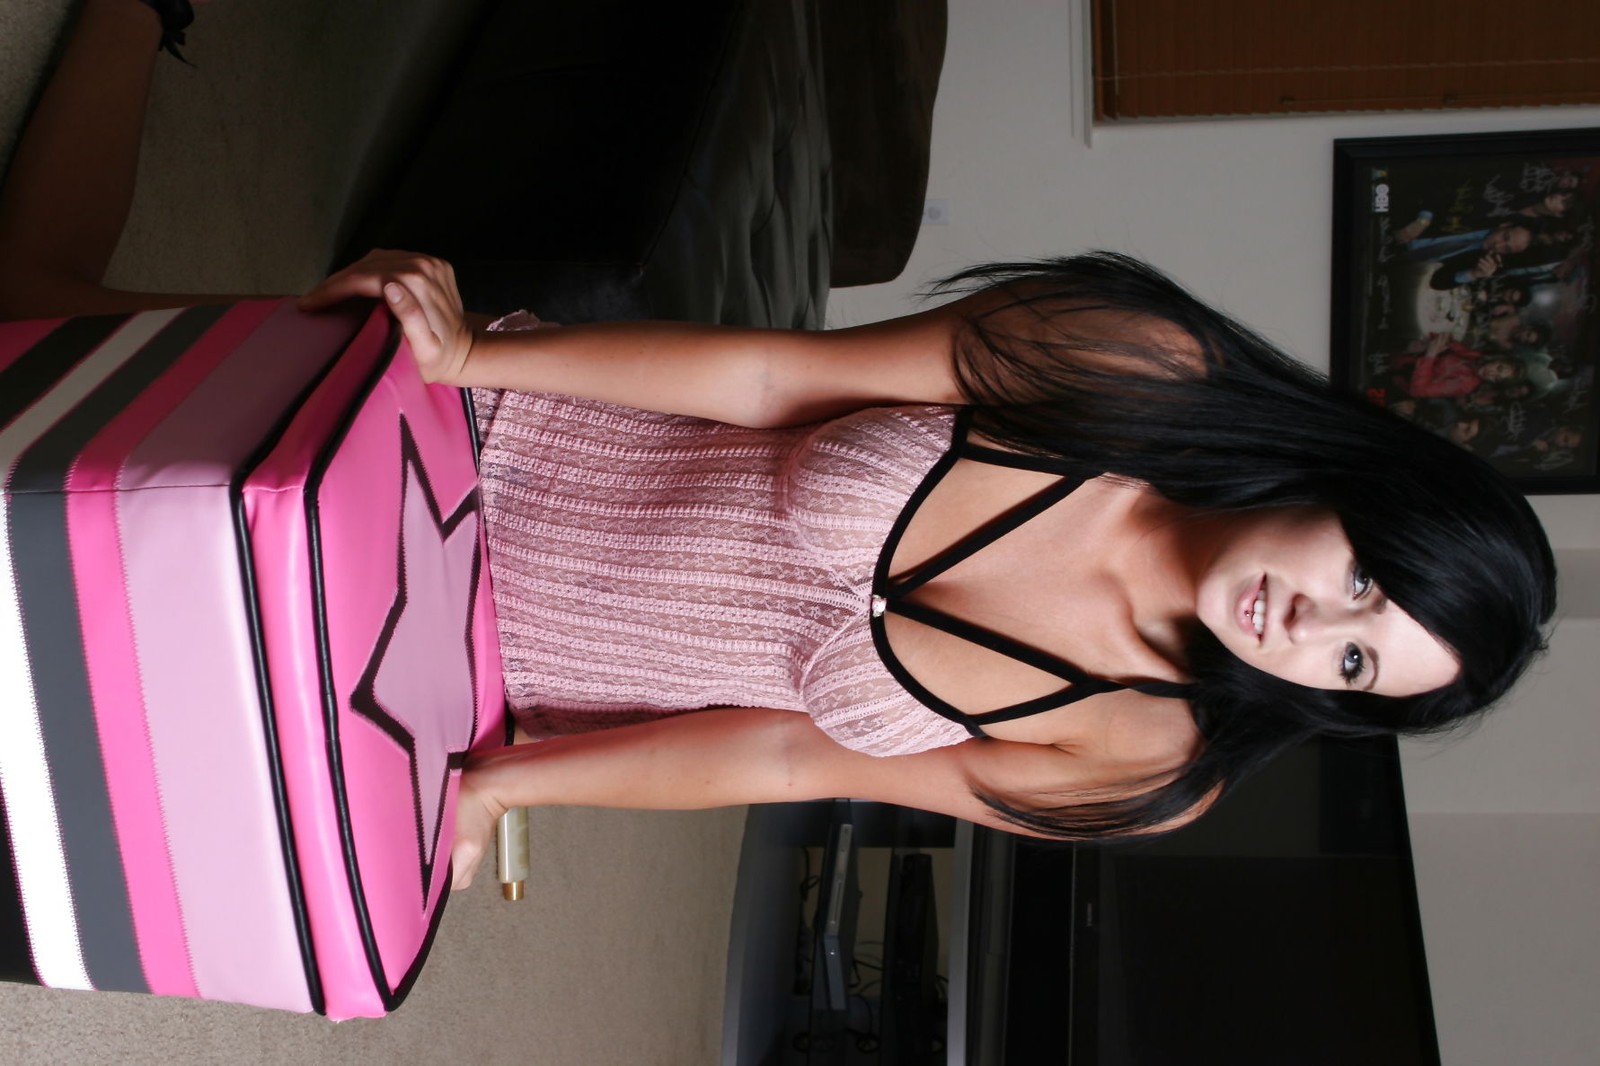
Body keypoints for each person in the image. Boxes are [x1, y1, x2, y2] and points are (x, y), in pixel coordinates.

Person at [0, 0, 1558, 890]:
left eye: (1358, 664)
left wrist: (501, 785)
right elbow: (768, 377)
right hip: (487, 440)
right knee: (44, 337)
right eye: (1366, 581)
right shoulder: (1131, 373)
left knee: (88, 636)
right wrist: (472, 354)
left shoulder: (1149, 762)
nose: (1313, 626)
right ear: (1360, 486)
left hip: (483, 655)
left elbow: (788, 754)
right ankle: (135, 15)